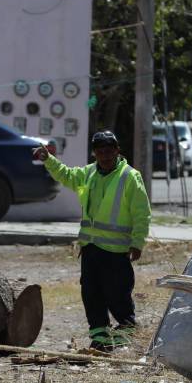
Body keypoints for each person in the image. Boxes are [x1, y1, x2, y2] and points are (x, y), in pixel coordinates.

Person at [32, 131, 152, 351]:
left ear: (117, 150)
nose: (105, 155)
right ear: (94, 153)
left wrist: (137, 242)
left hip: (116, 251)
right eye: (100, 151)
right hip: (91, 249)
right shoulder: (88, 174)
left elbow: (141, 212)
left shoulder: (129, 176)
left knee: (117, 295)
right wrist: (48, 160)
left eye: (109, 150)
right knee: (91, 295)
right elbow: (66, 175)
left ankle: (128, 334)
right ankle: (100, 340)